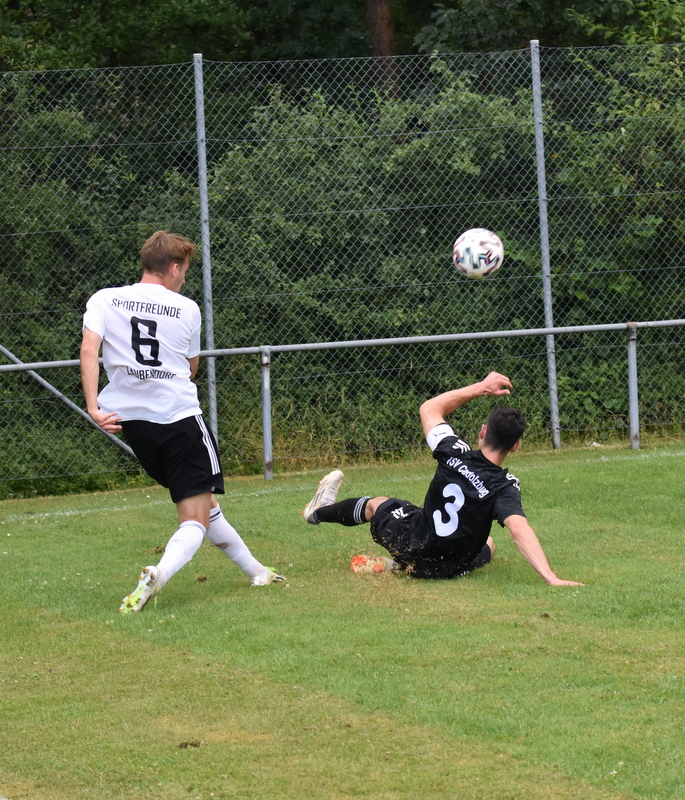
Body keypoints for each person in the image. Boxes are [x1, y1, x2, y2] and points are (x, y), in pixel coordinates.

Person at [80, 230, 285, 613]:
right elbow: (190, 370)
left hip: (133, 424)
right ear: (174, 267)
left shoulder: (104, 298)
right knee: (194, 519)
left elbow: (89, 350)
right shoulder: (186, 308)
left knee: (204, 501)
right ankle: (159, 574)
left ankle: (258, 572)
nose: (185, 278)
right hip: (178, 419)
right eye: (186, 270)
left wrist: (93, 406)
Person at [303, 371, 582, 586]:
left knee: (378, 504)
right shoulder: (504, 486)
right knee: (489, 544)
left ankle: (317, 512)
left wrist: (482, 387)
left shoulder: (454, 451)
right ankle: (402, 567)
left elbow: (429, 409)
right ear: (516, 446)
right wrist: (550, 577)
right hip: (445, 569)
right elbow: (518, 528)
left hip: (410, 542)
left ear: (483, 431)